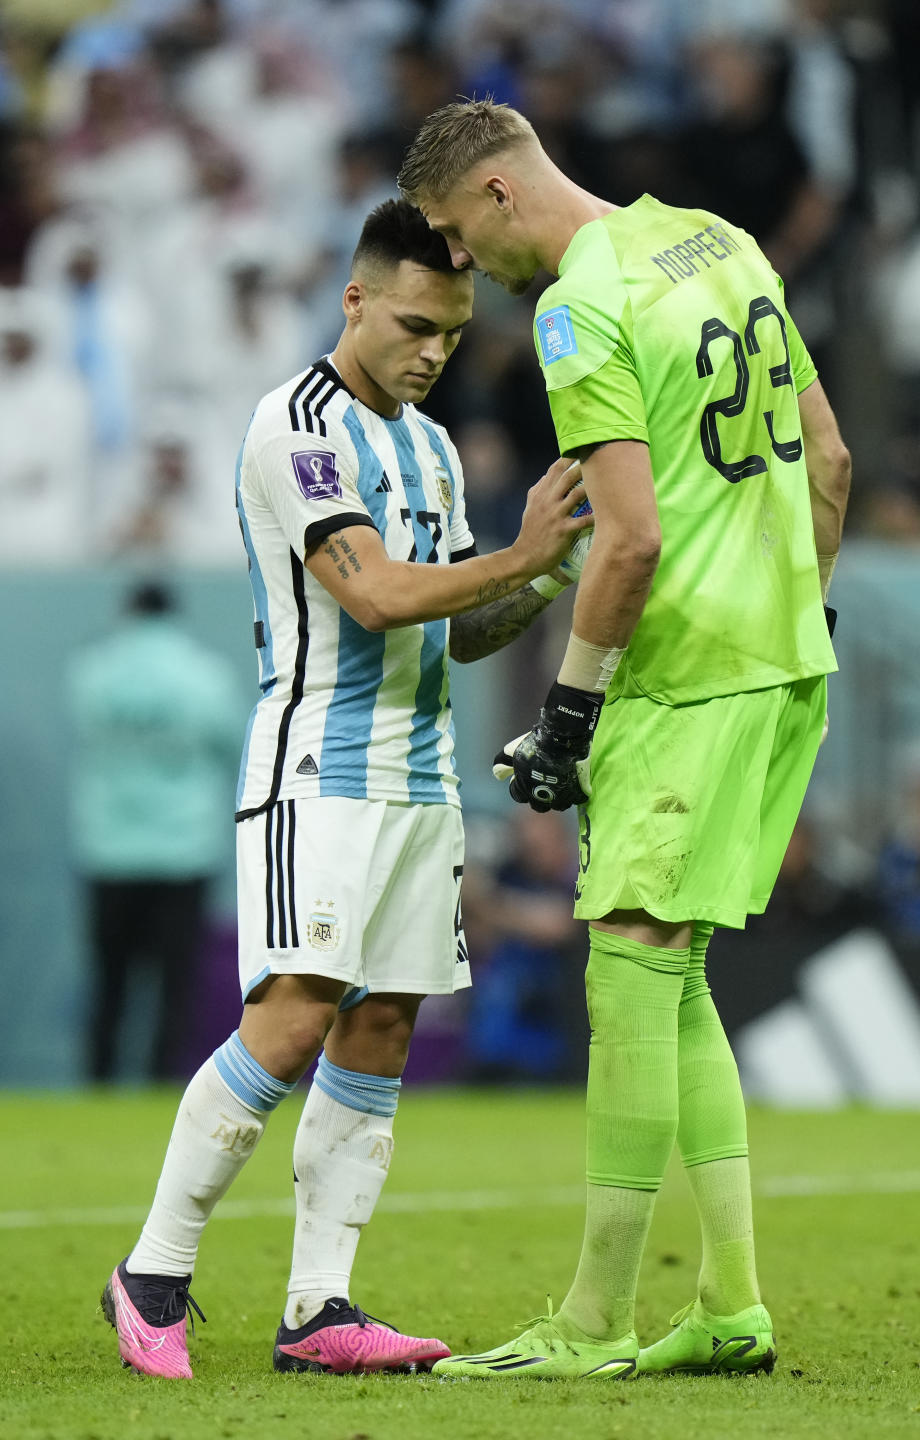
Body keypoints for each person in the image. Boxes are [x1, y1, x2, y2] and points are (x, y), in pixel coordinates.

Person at [100, 198, 591, 1380]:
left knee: (381, 1026)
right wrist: (520, 553)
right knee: (292, 1016)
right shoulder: (295, 426)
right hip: (316, 767)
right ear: (355, 300)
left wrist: (544, 573)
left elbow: (462, 629)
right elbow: (371, 594)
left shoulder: (426, 447)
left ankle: (320, 1308)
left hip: (421, 780)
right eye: (416, 324)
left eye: (455, 334)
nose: (433, 351)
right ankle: (154, 1270)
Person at [399, 99, 851, 1380]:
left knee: (628, 965)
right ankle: (731, 1305)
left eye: (455, 237)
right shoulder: (718, 241)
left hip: (684, 675)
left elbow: (633, 535)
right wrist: (798, 610)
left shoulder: (577, 304)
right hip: (782, 660)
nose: (465, 267)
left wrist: (567, 713)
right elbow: (828, 456)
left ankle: (591, 1321)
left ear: (492, 194)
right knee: (678, 970)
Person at [67, 580, 244, 1081]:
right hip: (182, 847)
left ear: (128, 610)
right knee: (175, 982)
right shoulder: (203, 675)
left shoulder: (93, 672)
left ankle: (98, 1080)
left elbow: (88, 734)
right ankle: (162, 1084)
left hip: (108, 846)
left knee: (109, 980)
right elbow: (229, 746)